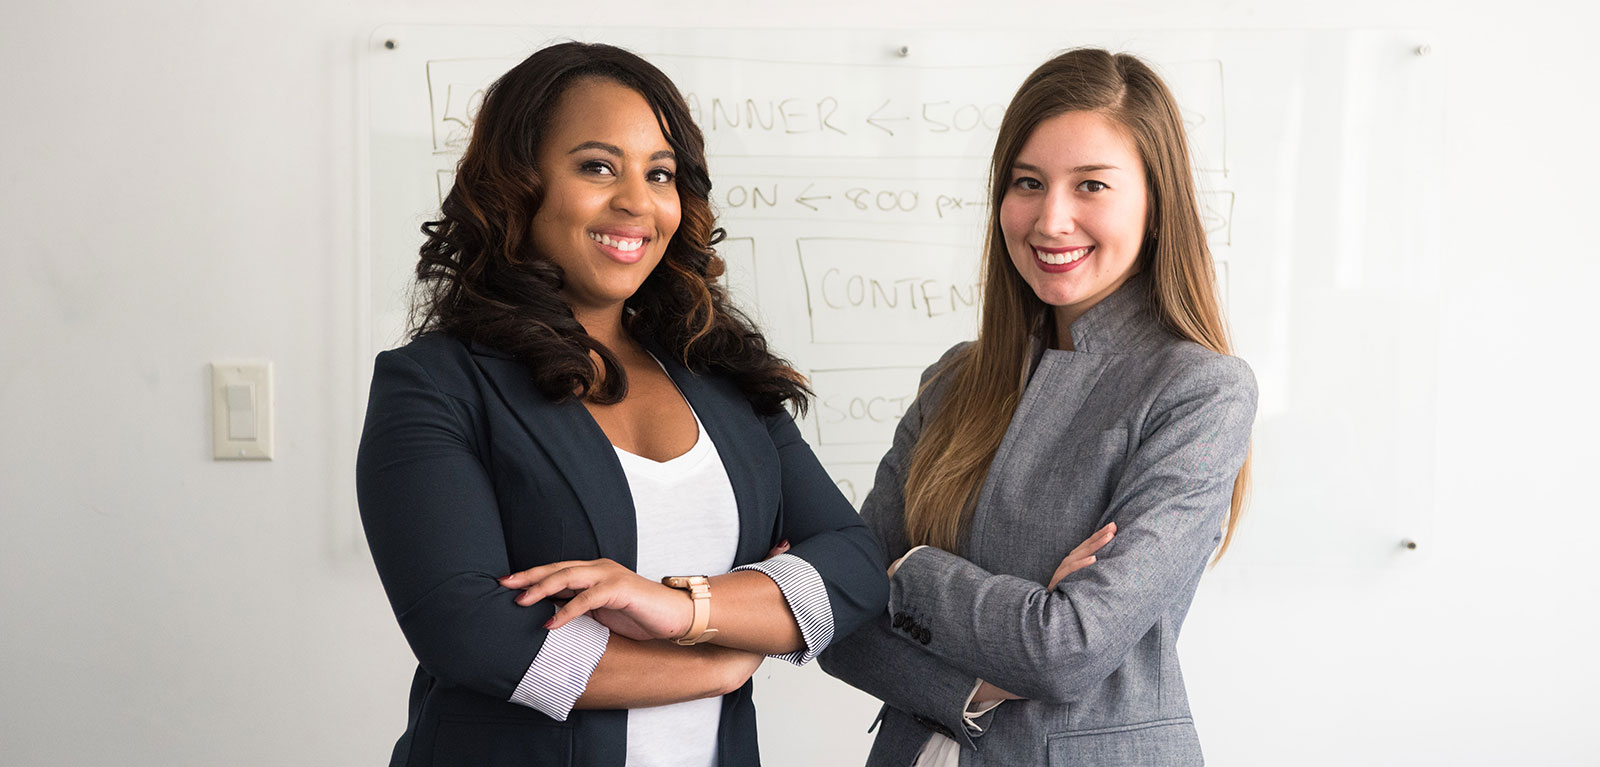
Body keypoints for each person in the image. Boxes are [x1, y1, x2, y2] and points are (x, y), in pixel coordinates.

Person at [356, 42, 888, 767]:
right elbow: (471, 634)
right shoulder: (436, 384)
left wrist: (682, 608)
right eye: (598, 166)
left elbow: (853, 566)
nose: (637, 201)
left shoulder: (721, 377)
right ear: (520, 184)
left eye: (659, 174)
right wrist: (720, 662)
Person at [817, 48, 1257, 766]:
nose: (1052, 219)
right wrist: (975, 684)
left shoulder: (1200, 391)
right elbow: (839, 620)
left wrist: (909, 572)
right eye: (1028, 183)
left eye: (1091, 185)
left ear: (1156, 206)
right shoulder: (953, 380)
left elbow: (1068, 646)